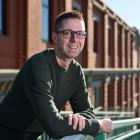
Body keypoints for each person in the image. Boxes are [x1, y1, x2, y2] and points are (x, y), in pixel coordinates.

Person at [0, 11, 113, 140]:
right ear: (54, 37)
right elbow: (54, 126)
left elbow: (88, 111)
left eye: (80, 34)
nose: (74, 39)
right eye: (67, 33)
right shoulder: (38, 66)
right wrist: (98, 124)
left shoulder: (76, 70)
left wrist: (78, 118)